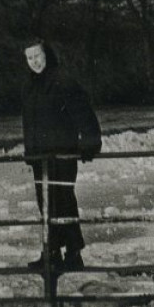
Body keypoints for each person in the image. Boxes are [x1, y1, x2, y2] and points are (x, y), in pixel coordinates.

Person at [21, 38, 100, 272]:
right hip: (40, 158)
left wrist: (89, 143)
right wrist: (31, 150)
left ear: (47, 55)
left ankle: (74, 254)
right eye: (30, 58)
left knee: (62, 201)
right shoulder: (30, 86)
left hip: (62, 154)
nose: (35, 62)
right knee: (45, 203)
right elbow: (30, 122)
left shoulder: (63, 81)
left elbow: (84, 114)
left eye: (38, 56)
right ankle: (51, 252)